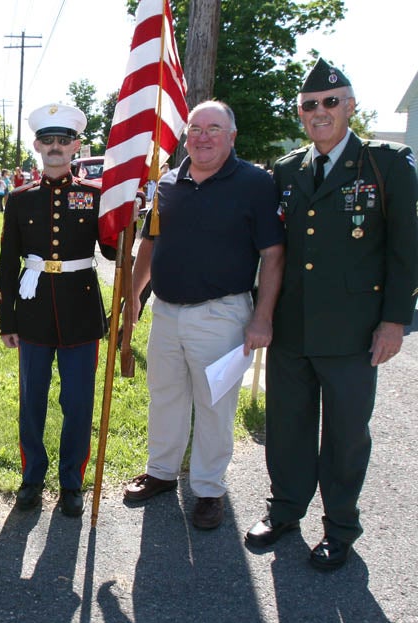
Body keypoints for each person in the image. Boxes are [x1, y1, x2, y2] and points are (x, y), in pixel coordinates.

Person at [245, 59, 418, 569]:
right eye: (309, 105)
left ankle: (340, 525)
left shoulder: (386, 165)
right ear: (300, 114)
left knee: (345, 433)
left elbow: (406, 250)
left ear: (350, 106)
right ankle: (285, 510)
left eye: (330, 102)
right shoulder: (287, 170)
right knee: (288, 424)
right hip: (293, 326)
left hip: (354, 331)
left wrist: (394, 321)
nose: (320, 112)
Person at [123, 101, 285, 530]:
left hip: (222, 315)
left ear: (232, 136)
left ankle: (209, 489)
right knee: (166, 396)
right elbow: (149, 246)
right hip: (167, 314)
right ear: (186, 135)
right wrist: (133, 298)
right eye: (196, 128)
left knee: (214, 405)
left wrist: (262, 317)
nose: (203, 136)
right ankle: (161, 471)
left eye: (214, 128)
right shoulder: (168, 184)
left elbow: (273, 254)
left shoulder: (254, 183)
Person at [0, 103, 117, 517]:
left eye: (63, 141)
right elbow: (8, 260)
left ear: (76, 146)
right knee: (32, 401)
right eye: (47, 141)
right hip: (32, 313)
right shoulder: (19, 199)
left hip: (81, 312)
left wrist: (126, 219)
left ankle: (71, 481)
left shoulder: (95, 195)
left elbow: (112, 251)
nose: (55, 148)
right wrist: (6, 319)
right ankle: (32, 477)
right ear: (36, 145)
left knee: (79, 402)